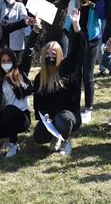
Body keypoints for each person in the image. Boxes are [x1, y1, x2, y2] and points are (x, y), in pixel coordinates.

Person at [39, 0, 103, 124]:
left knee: (88, 74)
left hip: (90, 40)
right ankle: (74, 105)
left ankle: (88, 108)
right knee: (74, 73)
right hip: (74, 36)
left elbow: (104, 14)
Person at [32, 9, 85, 157]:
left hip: (68, 115)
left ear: (60, 54)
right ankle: (55, 136)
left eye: (53, 54)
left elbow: (79, 51)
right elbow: (39, 104)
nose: (50, 57)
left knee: (64, 119)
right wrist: (44, 115)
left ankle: (65, 141)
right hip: (51, 119)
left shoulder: (67, 68)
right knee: (38, 137)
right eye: (47, 54)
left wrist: (76, 25)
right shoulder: (39, 78)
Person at [0, 44, 35, 158]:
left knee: (9, 110)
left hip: (22, 117)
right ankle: (8, 135)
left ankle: (14, 144)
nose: (6, 63)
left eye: (9, 60)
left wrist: (34, 32)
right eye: (3, 61)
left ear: (14, 61)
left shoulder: (20, 73)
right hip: (5, 117)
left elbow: (28, 53)